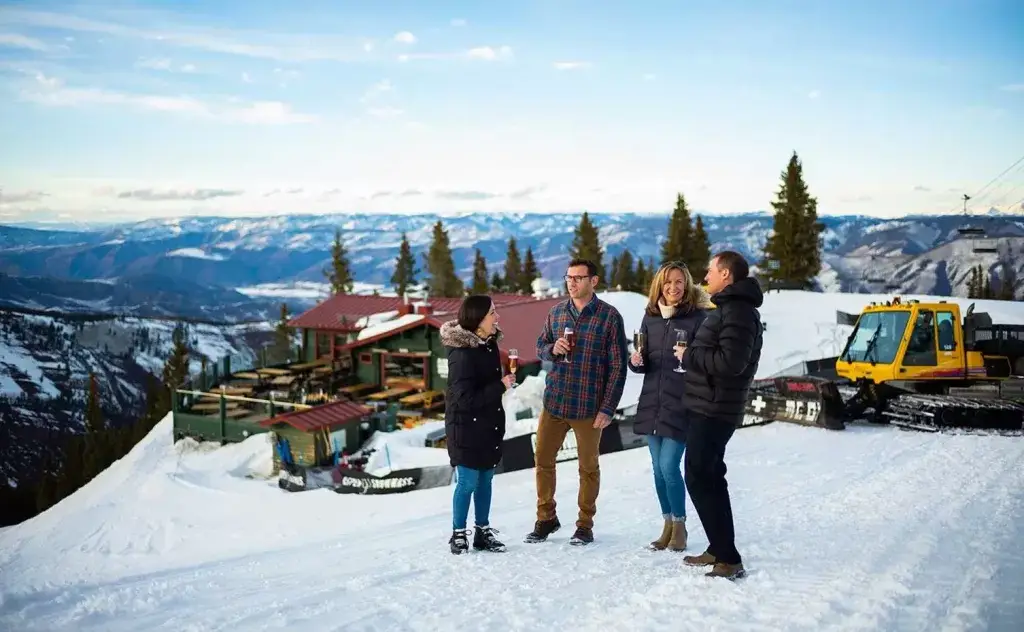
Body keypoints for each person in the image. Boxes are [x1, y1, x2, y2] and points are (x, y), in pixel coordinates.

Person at [526, 258, 628, 546]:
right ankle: (546, 518)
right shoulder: (556, 313)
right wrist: (551, 348)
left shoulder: (609, 317)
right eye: (568, 277)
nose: (571, 283)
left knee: (588, 468)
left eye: (578, 278)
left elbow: (618, 366)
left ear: (593, 281)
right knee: (543, 461)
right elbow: (539, 346)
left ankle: (584, 525)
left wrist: (608, 407)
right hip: (555, 402)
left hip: (588, 407)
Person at [677, 251, 763, 579]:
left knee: (699, 477)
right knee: (710, 478)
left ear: (726, 274)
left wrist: (691, 355)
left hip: (715, 410)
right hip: (708, 406)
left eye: (710, 269)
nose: (705, 275)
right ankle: (718, 547)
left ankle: (728, 557)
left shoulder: (738, 312)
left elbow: (731, 364)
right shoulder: (730, 308)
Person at [628, 261, 713, 552]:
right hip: (652, 400)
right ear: (659, 286)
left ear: (687, 285)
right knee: (656, 469)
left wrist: (690, 356)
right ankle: (666, 524)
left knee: (669, 466)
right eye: (668, 283)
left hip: (683, 402)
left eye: (679, 282)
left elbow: (706, 363)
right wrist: (635, 362)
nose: (673, 288)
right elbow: (643, 359)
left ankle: (680, 525)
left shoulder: (698, 318)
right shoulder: (650, 317)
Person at [440, 295, 517, 555]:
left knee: (486, 480)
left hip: (487, 424)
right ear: (478, 319)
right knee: (468, 482)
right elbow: (465, 398)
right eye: (492, 313)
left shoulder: (489, 345)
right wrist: (501, 386)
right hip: (465, 427)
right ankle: (458, 534)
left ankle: (482, 532)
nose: (497, 317)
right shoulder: (461, 354)